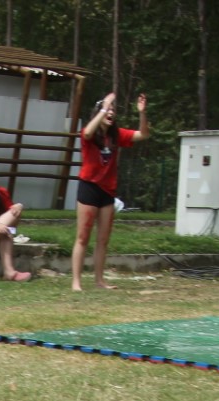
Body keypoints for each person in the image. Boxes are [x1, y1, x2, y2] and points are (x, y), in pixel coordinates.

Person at [72, 91, 149, 292]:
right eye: (108, 109)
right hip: (89, 187)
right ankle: (76, 283)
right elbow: (87, 133)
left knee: (103, 240)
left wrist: (142, 113)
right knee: (83, 237)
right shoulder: (89, 133)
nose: (111, 113)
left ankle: (99, 281)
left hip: (107, 191)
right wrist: (103, 108)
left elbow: (143, 134)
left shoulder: (116, 135)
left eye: (113, 110)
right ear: (99, 112)